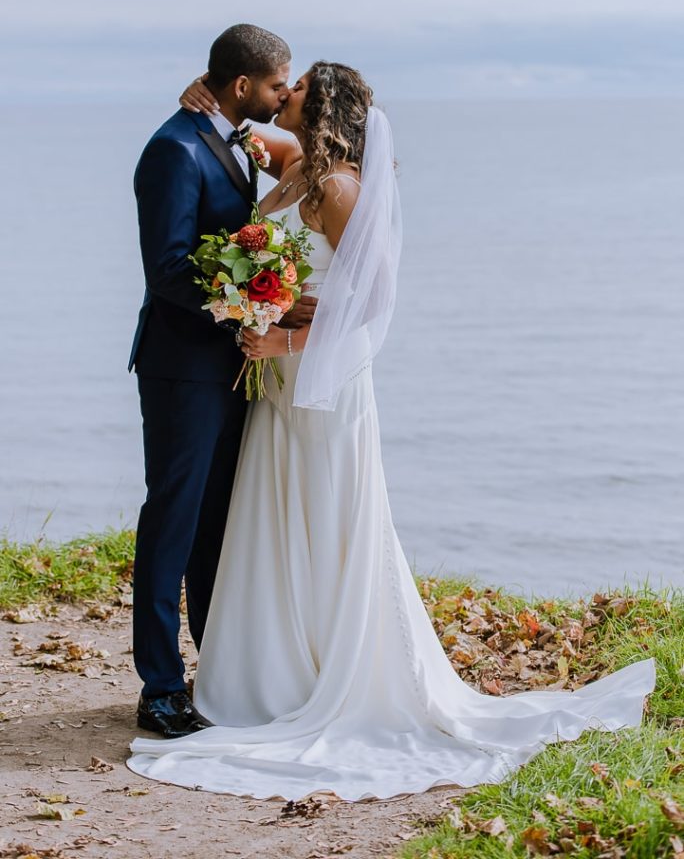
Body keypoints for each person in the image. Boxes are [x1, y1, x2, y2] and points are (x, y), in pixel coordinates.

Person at [127, 61, 655, 800]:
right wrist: (203, 92)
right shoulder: (289, 162)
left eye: (300, 85)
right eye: (279, 81)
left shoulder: (340, 187)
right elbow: (238, 123)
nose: (287, 92)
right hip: (274, 387)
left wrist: (283, 340)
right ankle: (276, 670)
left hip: (320, 384)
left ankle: (329, 677)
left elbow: (370, 304)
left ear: (324, 103)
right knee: (276, 524)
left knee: (327, 521)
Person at [129, 23, 315, 739]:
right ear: (244, 87)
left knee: (216, 527)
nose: (281, 95)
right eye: (276, 85)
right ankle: (159, 687)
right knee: (172, 522)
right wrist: (256, 305)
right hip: (182, 368)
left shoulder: (238, 140)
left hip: (235, 368)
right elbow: (170, 269)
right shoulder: (173, 150)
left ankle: (219, 669)